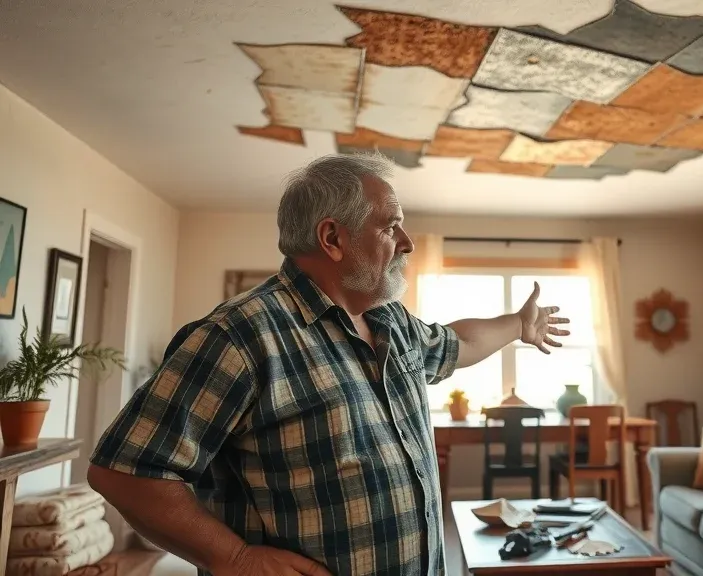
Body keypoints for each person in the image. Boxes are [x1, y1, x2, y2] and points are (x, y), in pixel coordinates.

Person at [87, 152, 570, 576]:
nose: (407, 242)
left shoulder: (390, 322)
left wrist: (517, 325)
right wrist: (232, 558)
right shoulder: (242, 335)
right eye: (389, 225)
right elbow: (127, 469)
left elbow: (459, 343)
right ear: (333, 237)